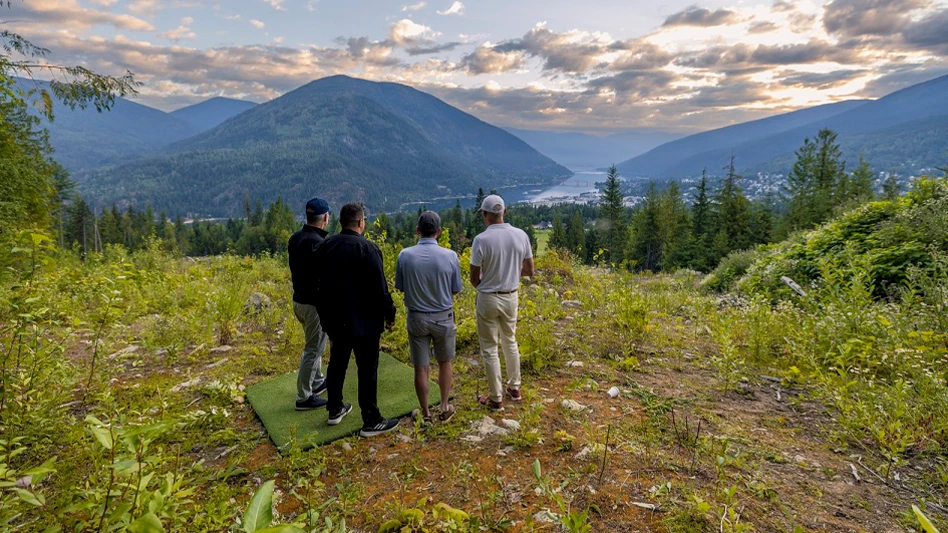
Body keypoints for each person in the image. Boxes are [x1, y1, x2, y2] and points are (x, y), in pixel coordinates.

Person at [312, 202, 400, 437]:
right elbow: (381, 288)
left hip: (335, 321)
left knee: (337, 363)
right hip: (366, 322)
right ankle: (371, 420)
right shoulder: (368, 249)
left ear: (341, 221)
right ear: (361, 222)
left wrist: (324, 317)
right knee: (367, 369)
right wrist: (389, 315)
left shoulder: (324, 247)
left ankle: (334, 408)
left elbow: (316, 287)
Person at [394, 212, 462, 424]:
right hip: (443, 317)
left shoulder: (405, 255)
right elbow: (456, 289)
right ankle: (444, 406)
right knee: (444, 362)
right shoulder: (450, 256)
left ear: (417, 230)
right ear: (439, 232)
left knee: (421, 367)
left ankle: (425, 413)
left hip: (417, 318)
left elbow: (400, 286)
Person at [470, 194, 535, 411]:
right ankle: (514, 387)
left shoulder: (481, 240)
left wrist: (486, 284)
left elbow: (473, 277)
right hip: (511, 295)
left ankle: (496, 398)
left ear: (485, 216)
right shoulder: (520, 235)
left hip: (488, 297)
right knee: (510, 340)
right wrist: (511, 273)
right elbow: (530, 270)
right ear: (504, 212)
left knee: (489, 348)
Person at [287, 197, 331, 411]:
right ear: (325, 218)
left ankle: (317, 381)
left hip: (299, 301)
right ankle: (304, 397)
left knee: (315, 343)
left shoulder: (295, 239)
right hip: (314, 305)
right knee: (313, 348)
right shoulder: (319, 244)